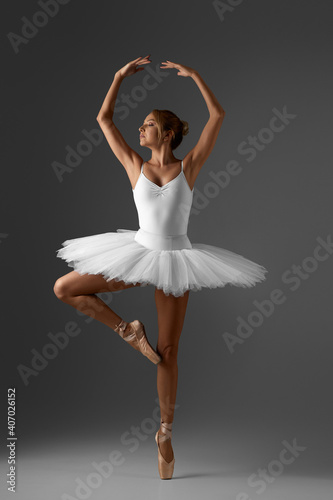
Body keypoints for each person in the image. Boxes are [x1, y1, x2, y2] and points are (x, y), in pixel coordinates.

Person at [54, 55, 268, 480]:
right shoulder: (135, 164)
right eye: (143, 124)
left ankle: (165, 434)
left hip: (175, 260)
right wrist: (116, 77)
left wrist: (196, 77)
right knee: (66, 288)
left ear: (167, 134)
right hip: (135, 250)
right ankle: (127, 331)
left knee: (168, 351)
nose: (141, 128)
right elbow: (104, 119)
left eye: (149, 123)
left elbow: (218, 115)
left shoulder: (188, 167)